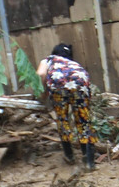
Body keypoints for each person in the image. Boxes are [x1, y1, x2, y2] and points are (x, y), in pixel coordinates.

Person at [37, 43, 96, 172]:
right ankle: (89, 160)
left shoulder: (48, 59)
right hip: (80, 82)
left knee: (62, 119)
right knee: (83, 120)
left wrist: (42, 93)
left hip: (58, 85)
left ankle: (69, 156)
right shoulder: (72, 64)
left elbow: (41, 74)